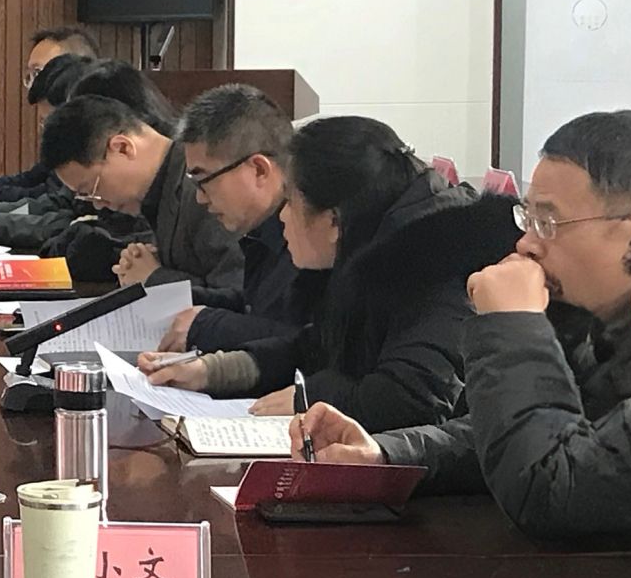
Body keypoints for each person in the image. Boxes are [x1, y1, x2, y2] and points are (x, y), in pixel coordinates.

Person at [291, 113, 631, 546]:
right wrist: (388, 454)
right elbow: (525, 435)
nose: (526, 244)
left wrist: (513, 325)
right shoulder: (599, 328)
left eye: (549, 223)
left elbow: (554, 493)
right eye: (528, 220)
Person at [143, 116, 516, 430]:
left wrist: (308, 398)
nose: (282, 217)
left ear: (335, 221)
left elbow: (412, 399)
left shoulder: (442, 263)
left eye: (290, 202)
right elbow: (320, 345)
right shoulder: (372, 246)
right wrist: (214, 371)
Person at [162, 84, 325, 350]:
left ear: (259, 169)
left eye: (204, 181)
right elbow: (258, 307)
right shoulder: (264, 229)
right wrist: (182, 302)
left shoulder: (314, 234)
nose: (200, 198)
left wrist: (209, 325)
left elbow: (312, 342)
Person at [37, 94, 242, 296]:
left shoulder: (202, 188)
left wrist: (154, 277)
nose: (98, 205)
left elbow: (240, 297)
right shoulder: (161, 188)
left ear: (123, 148)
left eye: (92, 190)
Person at [0, 27, 100, 211]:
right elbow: (34, 179)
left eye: (39, 72)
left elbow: (55, 202)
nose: (33, 83)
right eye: (30, 75)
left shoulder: (95, 130)